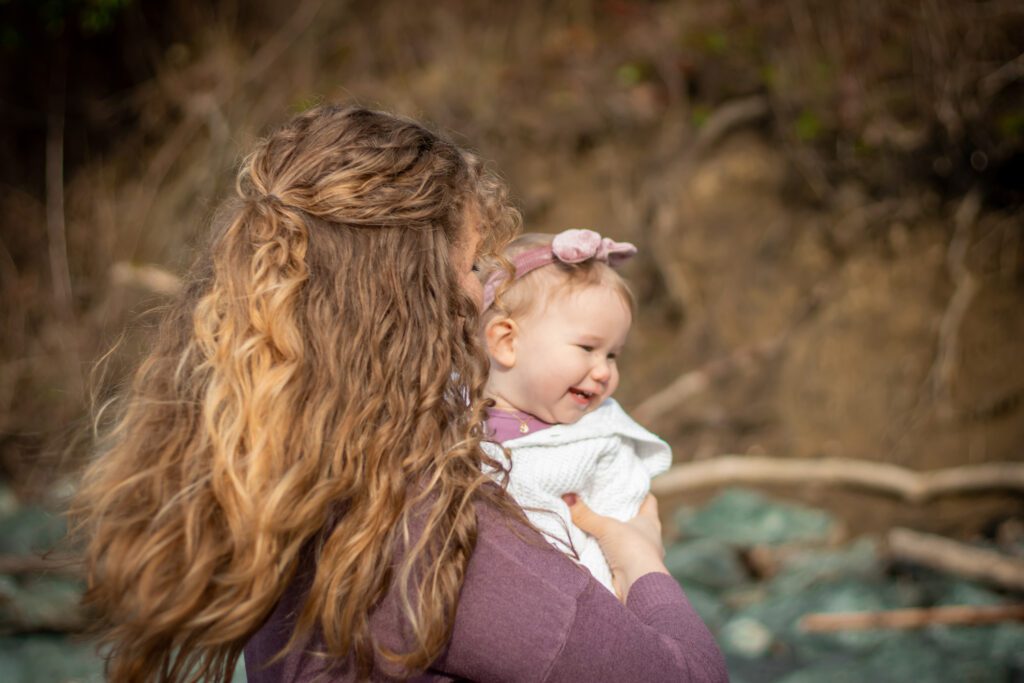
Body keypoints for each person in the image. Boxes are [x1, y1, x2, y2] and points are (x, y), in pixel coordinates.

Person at [73, 105, 727, 682]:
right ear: (409, 293)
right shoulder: (432, 529)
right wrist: (641, 556)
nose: (482, 290)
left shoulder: (276, 478)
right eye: (472, 264)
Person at [479, 229, 672, 594]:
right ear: (507, 342)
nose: (604, 371)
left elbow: (622, 530)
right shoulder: (448, 417)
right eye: (588, 348)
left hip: (572, 608)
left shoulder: (603, 442)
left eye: (613, 355)